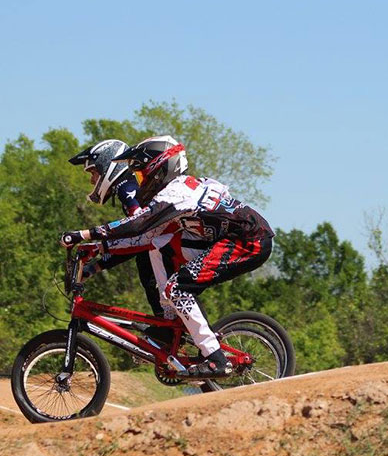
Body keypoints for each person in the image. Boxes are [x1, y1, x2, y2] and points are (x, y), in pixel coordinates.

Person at [61, 136, 274, 377]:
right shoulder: (176, 190)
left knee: (178, 289)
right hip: (226, 239)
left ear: (159, 169)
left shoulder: (175, 193)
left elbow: (137, 225)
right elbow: (147, 238)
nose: (141, 181)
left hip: (247, 241)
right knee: (160, 246)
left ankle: (216, 358)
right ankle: (171, 320)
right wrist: (99, 251)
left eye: (143, 174)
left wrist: (86, 234)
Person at [67, 139, 169, 320]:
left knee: (149, 267)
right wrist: (96, 266)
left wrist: (90, 241)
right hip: (163, 242)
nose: (92, 181)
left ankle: (176, 331)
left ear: (107, 167)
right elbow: (136, 239)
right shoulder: (129, 184)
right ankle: (171, 330)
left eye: (93, 173)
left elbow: (139, 231)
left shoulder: (126, 186)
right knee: (146, 263)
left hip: (168, 243)